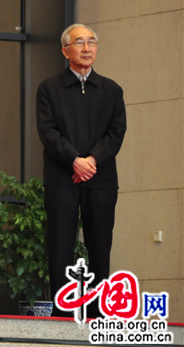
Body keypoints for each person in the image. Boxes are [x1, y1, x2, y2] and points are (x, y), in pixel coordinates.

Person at [37, 24, 126, 317]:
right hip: (62, 178)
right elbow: (47, 131)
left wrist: (92, 161)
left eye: (92, 43)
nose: (87, 49)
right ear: (65, 51)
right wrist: (75, 160)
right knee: (61, 246)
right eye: (79, 43)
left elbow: (116, 132)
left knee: (100, 246)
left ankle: (100, 313)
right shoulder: (49, 88)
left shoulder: (112, 89)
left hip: (101, 180)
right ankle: (64, 314)